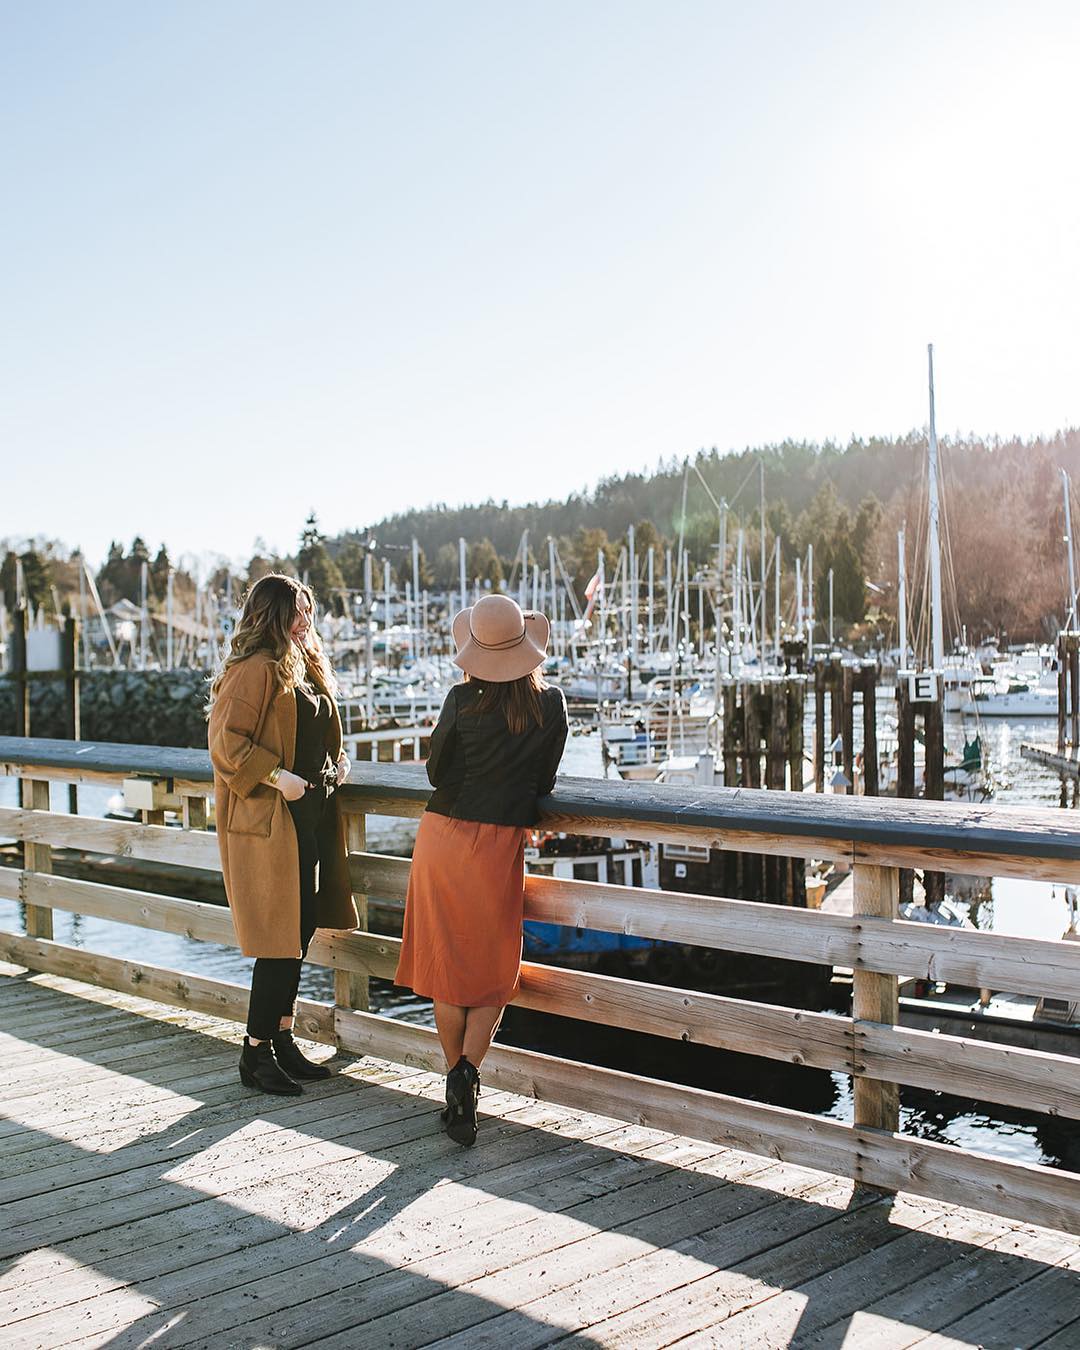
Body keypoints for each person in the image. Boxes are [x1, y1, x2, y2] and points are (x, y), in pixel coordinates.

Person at [395, 593, 569, 1146]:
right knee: (495, 964)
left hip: (444, 837)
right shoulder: (551, 707)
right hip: (499, 843)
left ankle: (456, 1082)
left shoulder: (459, 701)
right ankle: (469, 1076)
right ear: (527, 647)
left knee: (448, 963)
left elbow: (436, 771)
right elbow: (543, 783)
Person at [207, 574, 358, 1095]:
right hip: (273, 823)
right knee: (277, 939)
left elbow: (316, 733)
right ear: (272, 614)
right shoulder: (254, 669)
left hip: (311, 817)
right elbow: (227, 744)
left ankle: (281, 1037)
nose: (305, 620)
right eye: (297, 611)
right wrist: (278, 777)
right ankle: (254, 1052)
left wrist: (337, 763)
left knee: (299, 931)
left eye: (308, 610)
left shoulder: (306, 664)